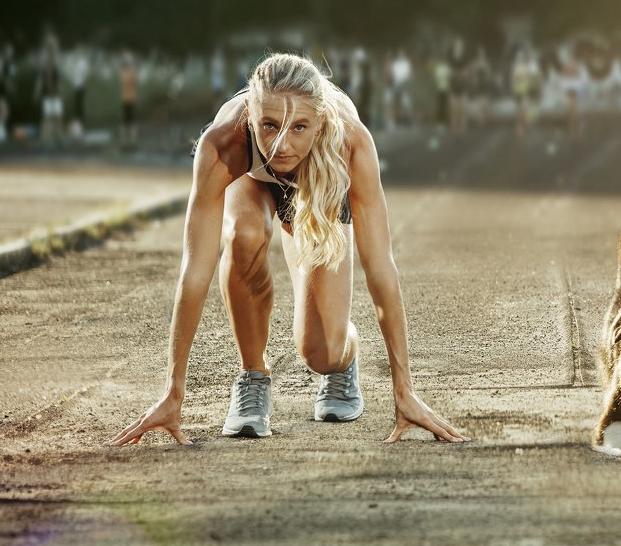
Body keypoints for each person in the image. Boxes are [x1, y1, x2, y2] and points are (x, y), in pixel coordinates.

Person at [106, 53, 468, 446]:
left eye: (298, 127)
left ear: (320, 122)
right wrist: (172, 393)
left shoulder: (349, 142)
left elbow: (381, 267)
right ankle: (253, 376)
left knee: (321, 353)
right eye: (269, 125)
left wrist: (405, 391)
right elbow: (194, 272)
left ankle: (344, 357)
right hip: (251, 180)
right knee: (242, 234)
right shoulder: (223, 143)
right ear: (250, 116)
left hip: (319, 176)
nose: (281, 145)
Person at [118, 51, 138, 151]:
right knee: (130, 123)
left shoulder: (124, 74)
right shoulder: (130, 73)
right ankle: (130, 142)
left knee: (126, 123)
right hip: (131, 100)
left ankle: (125, 142)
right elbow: (135, 81)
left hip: (125, 100)